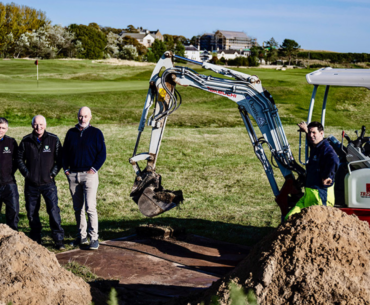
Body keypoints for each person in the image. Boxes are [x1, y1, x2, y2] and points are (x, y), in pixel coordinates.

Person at [18, 115, 65, 249]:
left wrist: (52, 174)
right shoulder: (26, 140)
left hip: (48, 184)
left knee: (53, 210)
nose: (38, 127)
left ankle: (58, 239)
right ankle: (36, 239)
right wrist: (27, 174)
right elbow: (19, 158)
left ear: (45, 125)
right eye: (36, 124)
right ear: (32, 125)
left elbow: (59, 159)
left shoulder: (53, 139)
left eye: (41, 124)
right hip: (31, 185)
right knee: (32, 213)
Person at [63, 107, 106, 250]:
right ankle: (81, 236)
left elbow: (102, 154)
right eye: (80, 116)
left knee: (90, 207)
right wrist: (66, 169)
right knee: (77, 208)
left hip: (89, 175)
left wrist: (93, 169)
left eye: (85, 116)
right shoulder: (71, 133)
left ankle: (94, 237)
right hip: (73, 175)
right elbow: (65, 153)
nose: (82, 119)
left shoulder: (96, 133)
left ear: (90, 117)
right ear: (77, 116)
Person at [285, 121, 339, 220]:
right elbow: (311, 141)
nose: (311, 135)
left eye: (314, 132)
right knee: (289, 218)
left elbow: (335, 161)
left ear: (321, 133)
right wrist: (306, 131)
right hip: (308, 194)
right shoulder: (316, 146)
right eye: (310, 132)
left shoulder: (326, 149)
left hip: (320, 196)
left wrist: (328, 176)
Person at [0, 118, 19, 231]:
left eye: (3, 128)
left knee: (13, 211)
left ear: (7, 129)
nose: (0, 130)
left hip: (9, 183)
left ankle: (13, 236)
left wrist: (9, 173)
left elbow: (17, 161)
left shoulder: (11, 142)